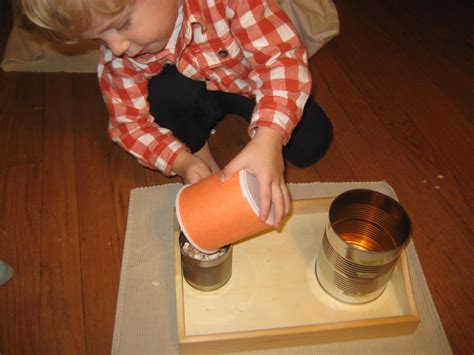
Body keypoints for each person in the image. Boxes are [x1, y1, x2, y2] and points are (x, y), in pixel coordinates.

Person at [20, 0, 333, 228]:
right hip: (194, 90)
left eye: (121, 25)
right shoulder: (121, 54)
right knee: (165, 94)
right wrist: (181, 161)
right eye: (98, 38)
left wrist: (269, 136)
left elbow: (280, 57)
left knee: (313, 143)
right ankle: (201, 154)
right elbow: (129, 124)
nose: (115, 47)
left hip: (252, 83)